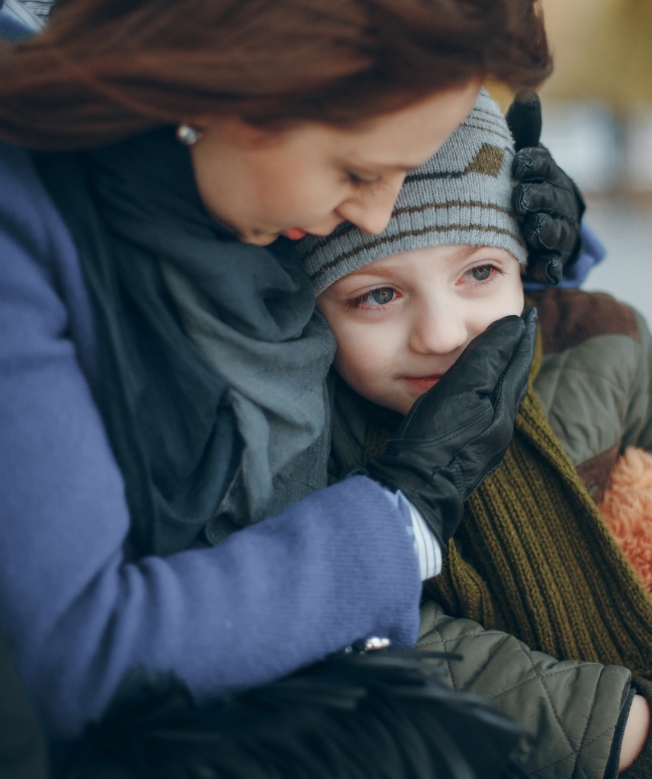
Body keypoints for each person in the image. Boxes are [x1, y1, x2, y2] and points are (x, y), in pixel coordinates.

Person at [0, 0, 581, 767]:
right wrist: (401, 513)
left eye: (408, 169)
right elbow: (86, 650)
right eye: (358, 172)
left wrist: (536, 227)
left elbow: (426, 275)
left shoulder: (238, 189)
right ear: (236, 82)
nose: (378, 215)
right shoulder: (25, 233)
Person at [299, 88, 652, 777]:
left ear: (527, 265)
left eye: (480, 272)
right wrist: (616, 727)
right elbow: (389, 638)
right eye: (378, 294)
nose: (441, 334)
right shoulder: (317, 453)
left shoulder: (605, 344)